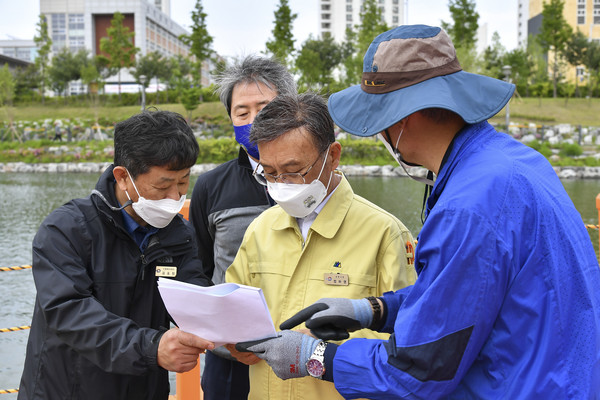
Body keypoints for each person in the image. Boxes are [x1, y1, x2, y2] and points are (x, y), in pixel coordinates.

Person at [235, 25, 600, 398]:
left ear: (401, 119)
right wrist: (375, 309)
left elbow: (419, 369)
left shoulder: (467, 207)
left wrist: (314, 357)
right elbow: (459, 296)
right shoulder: (513, 163)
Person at [225, 92, 417, 400]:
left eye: (294, 170)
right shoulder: (261, 228)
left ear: (333, 155)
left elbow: (410, 341)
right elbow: (232, 304)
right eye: (270, 173)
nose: (282, 185)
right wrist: (233, 341)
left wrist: (317, 351)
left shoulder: (384, 233)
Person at [19, 110, 215, 399]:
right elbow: (71, 313)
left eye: (184, 182)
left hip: (144, 388)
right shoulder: (65, 230)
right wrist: (152, 347)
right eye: (163, 185)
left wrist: (230, 331)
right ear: (123, 177)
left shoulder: (178, 234)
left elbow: (194, 294)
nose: (175, 197)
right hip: (67, 390)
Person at [189, 55, 296, 400]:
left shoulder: (317, 180)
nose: (253, 120)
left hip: (302, 354)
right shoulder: (210, 186)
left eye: (264, 108)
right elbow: (201, 270)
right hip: (231, 359)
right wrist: (227, 339)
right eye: (242, 112)